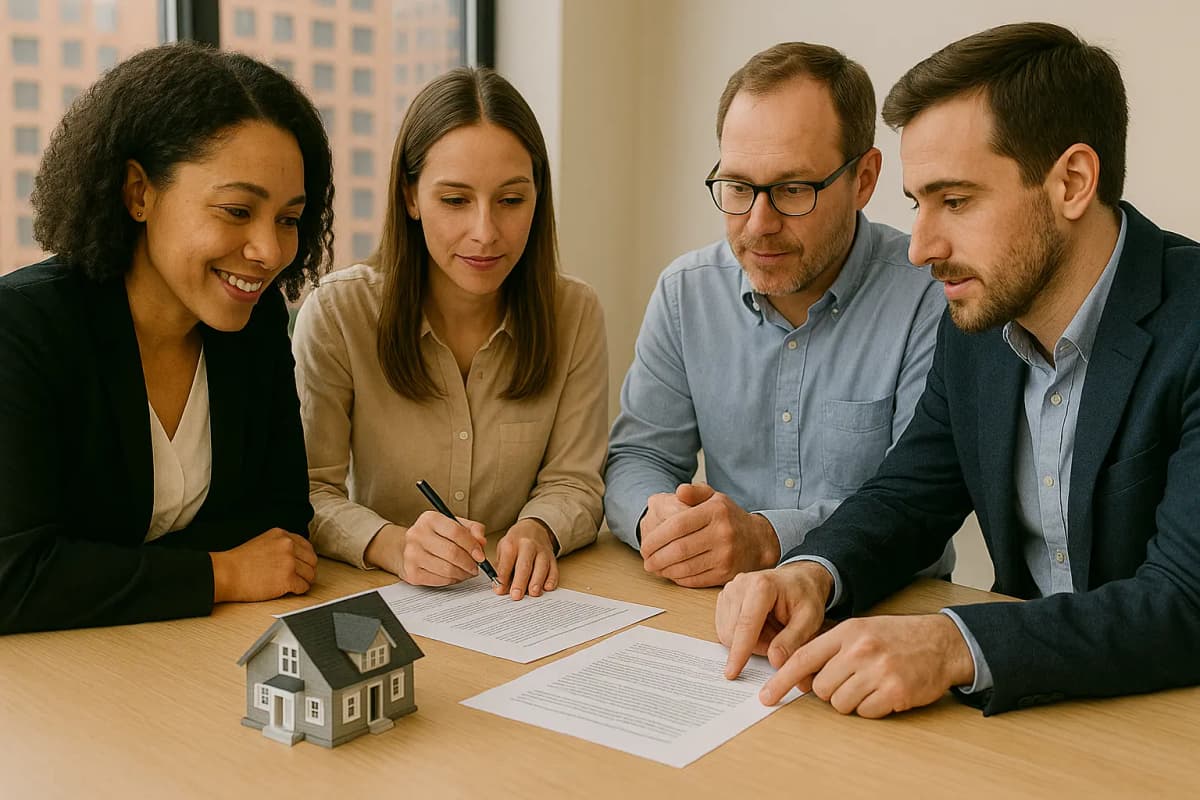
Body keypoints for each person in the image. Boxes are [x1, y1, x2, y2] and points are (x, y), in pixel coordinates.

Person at [718, 22, 1200, 717]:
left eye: (956, 201)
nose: (920, 248)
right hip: (1029, 715)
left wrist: (953, 643)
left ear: (1071, 182)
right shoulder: (979, 321)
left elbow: (1185, 600)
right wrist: (812, 573)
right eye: (917, 204)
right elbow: (909, 498)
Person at [0, 43, 335, 635]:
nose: (269, 251)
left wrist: (95, 569)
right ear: (139, 193)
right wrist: (221, 572)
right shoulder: (23, 328)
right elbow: (14, 577)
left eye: (288, 219)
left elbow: (281, 526)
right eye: (237, 211)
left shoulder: (254, 321)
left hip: (179, 651)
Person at [605, 42, 951, 588]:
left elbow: (918, 510)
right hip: (718, 605)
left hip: (880, 604)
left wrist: (765, 538)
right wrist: (659, 518)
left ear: (863, 179)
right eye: (739, 187)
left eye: (793, 189)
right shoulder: (685, 294)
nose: (759, 224)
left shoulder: (929, 298)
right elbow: (639, 456)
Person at [293, 67, 607, 601]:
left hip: (517, 602)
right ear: (410, 196)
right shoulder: (339, 313)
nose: (485, 232)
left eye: (511, 201)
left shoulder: (574, 313)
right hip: (384, 597)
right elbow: (308, 491)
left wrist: (539, 529)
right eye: (456, 201)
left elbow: (575, 480)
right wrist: (393, 545)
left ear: (538, 197)